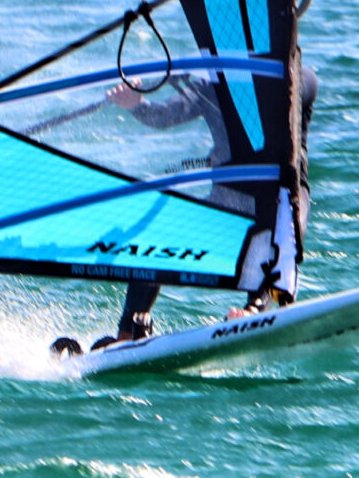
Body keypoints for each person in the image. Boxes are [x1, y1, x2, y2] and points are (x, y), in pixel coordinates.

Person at [88, 62, 317, 346]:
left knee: (282, 234)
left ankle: (253, 310)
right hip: (226, 198)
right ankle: (128, 332)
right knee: (159, 235)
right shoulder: (213, 83)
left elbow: (281, 105)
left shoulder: (301, 79)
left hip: (282, 197)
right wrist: (136, 104)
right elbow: (167, 115)